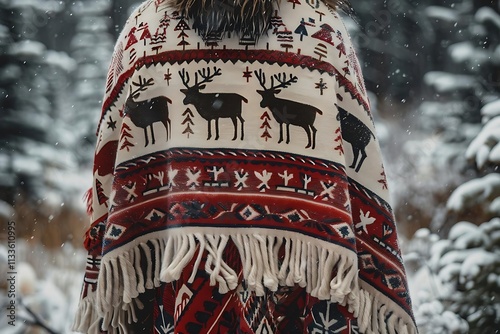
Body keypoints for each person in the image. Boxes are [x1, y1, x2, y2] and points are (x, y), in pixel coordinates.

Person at [73, 0, 417, 333]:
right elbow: (362, 177)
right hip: (298, 276)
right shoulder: (321, 29)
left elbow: (112, 168)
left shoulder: (145, 30)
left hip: (179, 270)